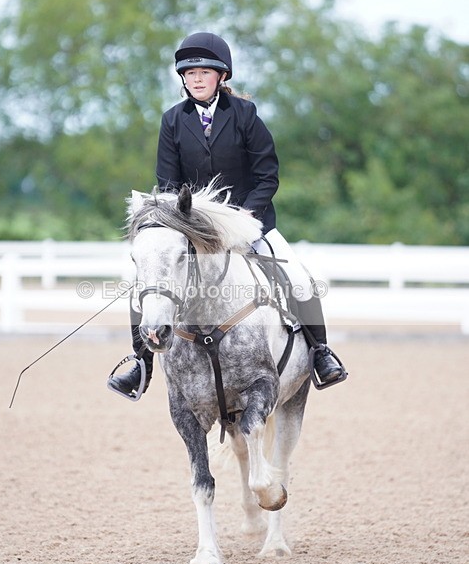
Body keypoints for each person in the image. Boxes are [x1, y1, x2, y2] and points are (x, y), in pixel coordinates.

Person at [108, 32, 345, 398]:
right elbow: (168, 184)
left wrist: (245, 219)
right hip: (195, 229)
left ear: (221, 76)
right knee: (149, 284)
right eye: (189, 73)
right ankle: (141, 365)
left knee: (298, 277)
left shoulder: (245, 115)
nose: (196, 79)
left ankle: (321, 353)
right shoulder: (173, 120)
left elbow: (268, 175)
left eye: (204, 72)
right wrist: (188, 225)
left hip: (250, 222)